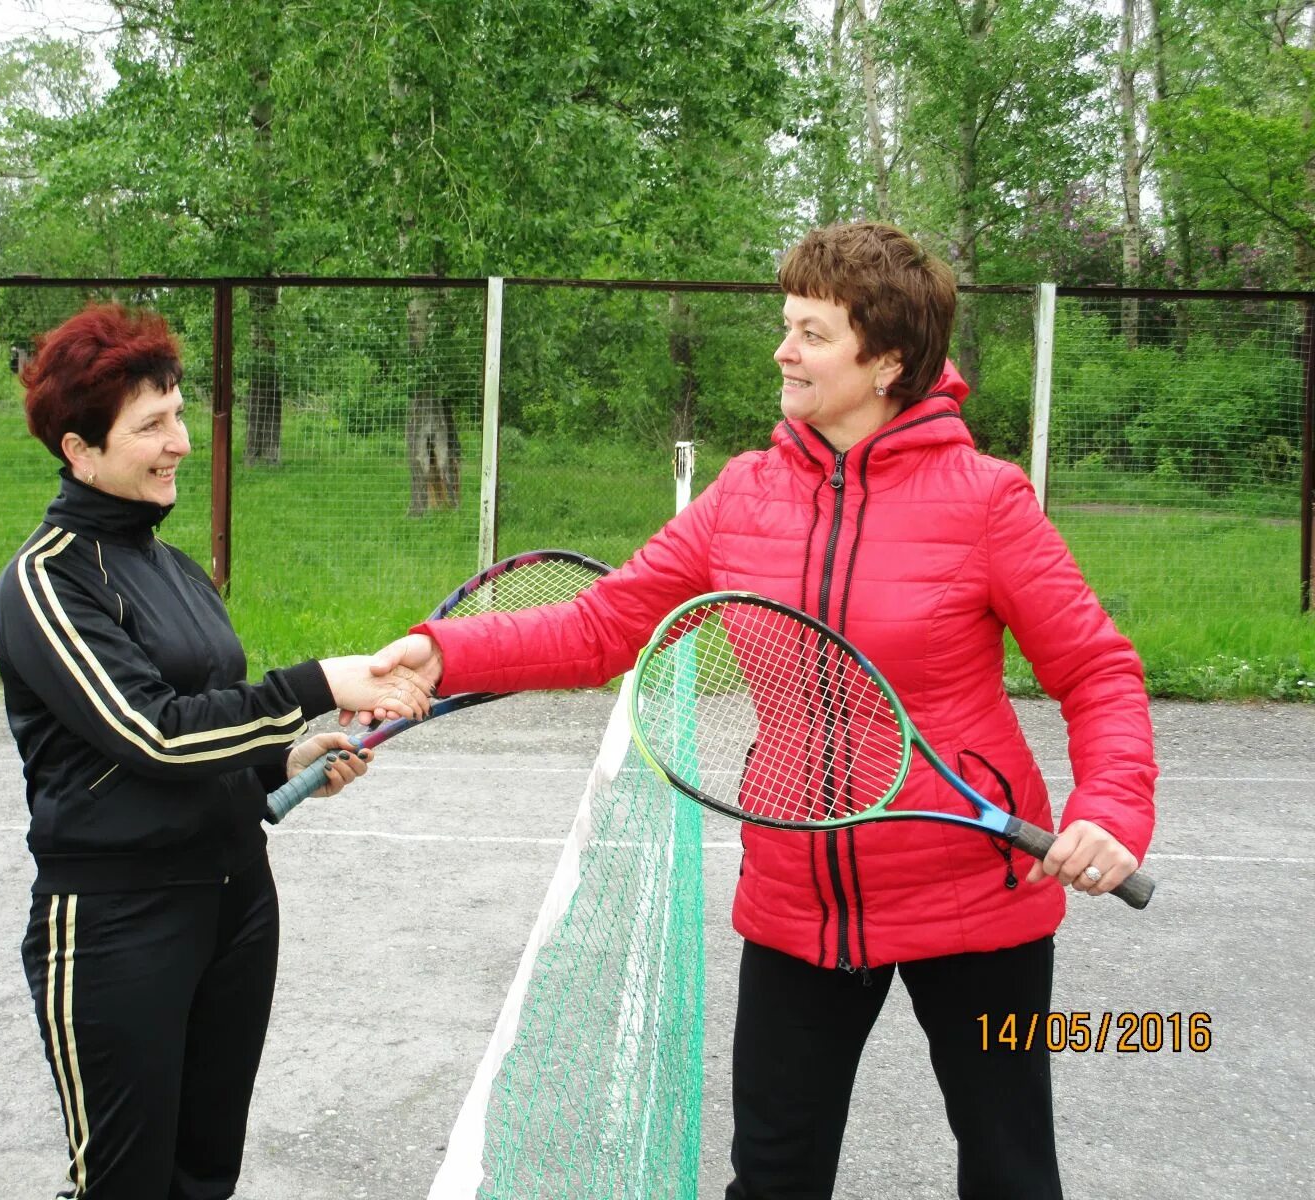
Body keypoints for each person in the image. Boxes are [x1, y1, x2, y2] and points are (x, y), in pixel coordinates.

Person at [369, 223, 1157, 1199]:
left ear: (888, 363)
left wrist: (1109, 811)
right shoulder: (744, 494)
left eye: (812, 333)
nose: (782, 350)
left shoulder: (987, 500)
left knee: (1009, 1171)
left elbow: (1097, 671)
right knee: (772, 1179)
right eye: (786, 325)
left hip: (977, 904)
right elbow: (606, 627)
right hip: (799, 896)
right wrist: (445, 650)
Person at [0, 302, 432, 1200]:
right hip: (118, 924)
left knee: (203, 1174)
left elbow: (209, 730)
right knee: (124, 1182)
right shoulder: (47, 580)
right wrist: (316, 683)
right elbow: (152, 732)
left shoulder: (175, 568)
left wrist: (289, 759)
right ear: (79, 449)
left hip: (235, 901)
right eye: (151, 424)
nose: (180, 441)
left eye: (178, 413)